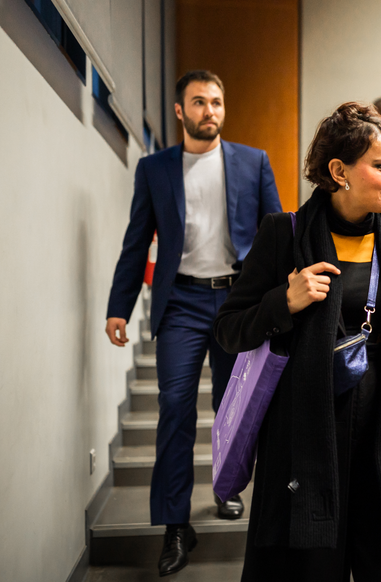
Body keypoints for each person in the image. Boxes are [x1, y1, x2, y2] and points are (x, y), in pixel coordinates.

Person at [213, 101, 381, 580]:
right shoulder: (283, 235)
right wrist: (283, 302)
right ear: (339, 171)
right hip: (309, 446)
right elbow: (229, 328)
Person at [104, 71, 282, 575]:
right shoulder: (154, 168)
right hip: (181, 301)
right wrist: (119, 305)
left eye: (218, 102)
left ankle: (228, 490)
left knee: (235, 406)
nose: (211, 111)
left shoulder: (253, 161)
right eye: (199, 102)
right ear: (180, 111)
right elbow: (136, 241)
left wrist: (279, 302)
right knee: (176, 406)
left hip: (237, 300)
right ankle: (175, 525)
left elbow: (275, 236)